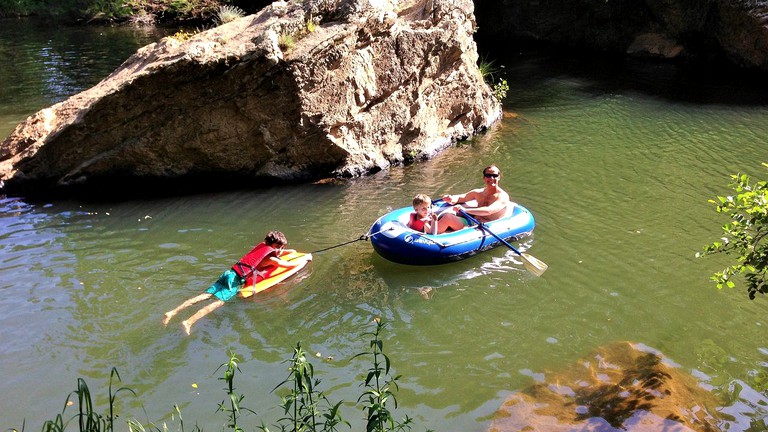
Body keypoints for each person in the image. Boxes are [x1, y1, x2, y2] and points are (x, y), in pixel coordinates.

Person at [163, 230, 308, 335]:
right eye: (280, 247)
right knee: (217, 303)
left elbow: (291, 250)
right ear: (274, 246)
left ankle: (172, 312)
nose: (281, 250)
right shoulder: (271, 259)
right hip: (237, 281)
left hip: (229, 273)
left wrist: (287, 250)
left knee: (206, 295)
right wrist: (306, 258)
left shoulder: (262, 247)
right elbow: (288, 266)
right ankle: (188, 322)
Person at [437, 165, 510, 233]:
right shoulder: (478, 192)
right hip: (474, 221)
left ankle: (430, 236)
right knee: (444, 216)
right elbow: (461, 198)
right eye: (488, 175)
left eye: (495, 176)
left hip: (488, 227)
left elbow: (489, 211)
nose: (491, 178)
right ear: (484, 178)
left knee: (448, 218)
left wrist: (465, 210)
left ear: (499, 177)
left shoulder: (503, 196)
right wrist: (450, 199)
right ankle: (430, 230)